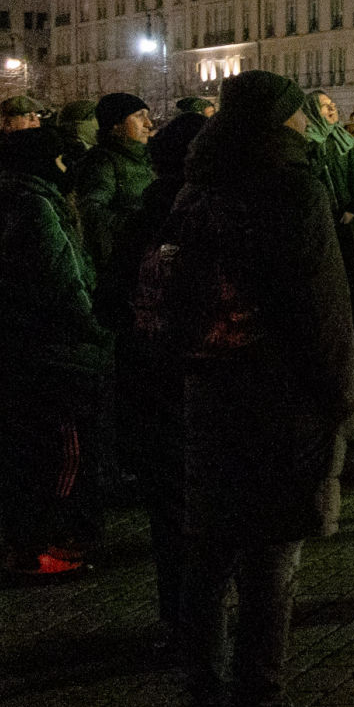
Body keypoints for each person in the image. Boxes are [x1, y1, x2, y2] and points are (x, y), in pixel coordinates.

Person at [165, 70, 354, 707]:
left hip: (209, 387)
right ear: (283, 121)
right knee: (272, 557)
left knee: (209, 556)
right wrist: (340, 392)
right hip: (279, 392)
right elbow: (320, 304)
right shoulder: (292, 186)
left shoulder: (196, 186)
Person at [0, 119, 111, 582]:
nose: (64, 165)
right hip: (51, 354)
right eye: (57, 157)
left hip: (12, 350)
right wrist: (96, 331)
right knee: (63, 453)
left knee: (19, 455)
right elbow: (63, 281)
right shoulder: (38, 207)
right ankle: (52, 547)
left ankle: (25, 546)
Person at [105, 109, 208, 655]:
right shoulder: (207, 218)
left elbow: (108, 299)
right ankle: (203, 621)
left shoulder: (140, 218)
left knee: (168, 511)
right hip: (195, 380)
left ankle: (177, 616)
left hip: (146, 379)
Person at [71, 92, 156, 284]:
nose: (148, 124)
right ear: (115, 124)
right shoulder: (103, 162)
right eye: (139, 115)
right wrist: (139, 225)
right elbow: (90, 212)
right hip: (121, 269)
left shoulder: (145, 158)